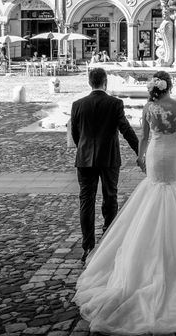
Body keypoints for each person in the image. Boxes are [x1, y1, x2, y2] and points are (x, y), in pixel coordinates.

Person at [74, 71, 176, 335]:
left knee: (152, 193)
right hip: (174, 154)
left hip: (154, 154)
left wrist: (141, 158)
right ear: (170, 86)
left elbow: (143, 138)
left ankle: (136, 252)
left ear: (154, 87)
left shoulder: (148, 107)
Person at [69, 67, 139, 265]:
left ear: (90, 83)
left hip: (84, 159)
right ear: (105, 82)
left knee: (86, 201)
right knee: (110, 198)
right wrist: (140, 153)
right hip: (108, 159)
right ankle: (108, 240)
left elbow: (76, 134)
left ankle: (88, 246)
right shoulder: (115, 104)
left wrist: (83, 149)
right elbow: (126, 130)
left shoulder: (77, 105)